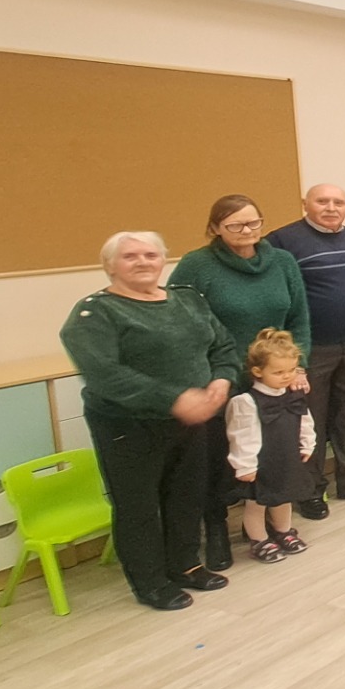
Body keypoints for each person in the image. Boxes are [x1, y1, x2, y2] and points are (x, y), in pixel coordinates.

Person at [60, 232, 238, 610]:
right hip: (128, 425)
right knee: (138, 506)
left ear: (163, 261)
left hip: (192, 420)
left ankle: (185, 565)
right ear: (109, 266)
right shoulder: (94, 313)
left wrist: (222, 379)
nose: (143, 261)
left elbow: (222, 345)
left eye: (151, 254)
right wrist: (175, 399)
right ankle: (150, 582)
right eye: (130, 256)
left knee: (186, 495)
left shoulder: (188, 299)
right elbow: (105, 374)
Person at [169, 193, 311, 566]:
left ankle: (274, 528)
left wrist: (297, 367)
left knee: (275, 456)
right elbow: (179, 321)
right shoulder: (196, 266)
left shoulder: (282, 262)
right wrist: (212, 375)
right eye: (235, 225)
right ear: (215, 228)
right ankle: (217, 530)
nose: (246, 230)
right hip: (222, 381)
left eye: (253, 222)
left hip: (275, 380)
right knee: (220, 460)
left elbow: (299, 318)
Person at [265, 185, 345, 505]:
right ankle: (310, 491)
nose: (331, 207)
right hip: (312, 349)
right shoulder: (281, 241)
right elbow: (279, 299)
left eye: (338, 202)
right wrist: (292, 357)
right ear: (305, 204)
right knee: (310, 420)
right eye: (322, 201)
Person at [225, 329, 315, 564]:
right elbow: (241, 435)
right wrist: (245, 465)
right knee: (257, 503)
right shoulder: (246, 402)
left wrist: (307, 444)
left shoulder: (293, 395)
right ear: (257, 372)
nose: (286, 377)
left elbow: (305, 421)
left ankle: (283, 531)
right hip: (261, 463)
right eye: (278, 372)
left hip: (286, 457)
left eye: (291, 370)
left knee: (284, 497)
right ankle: (259, 540)